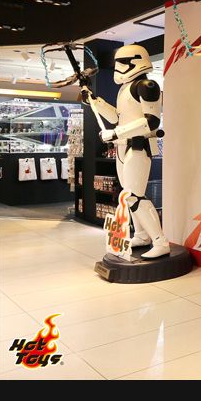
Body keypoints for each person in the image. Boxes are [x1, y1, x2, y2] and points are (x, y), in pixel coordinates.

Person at [82, 45, 169, 259]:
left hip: (138, 146)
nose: (118, 67)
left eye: (122, 62)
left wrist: (115, 133)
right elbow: (117, 117)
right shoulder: (125, 89)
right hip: (123, 147)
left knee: (135, 196)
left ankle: (160, 241)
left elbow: (151, 122)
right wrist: (96, 102)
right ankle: (141, 235)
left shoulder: (147, 86)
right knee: (129, 195)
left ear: (136, 61)